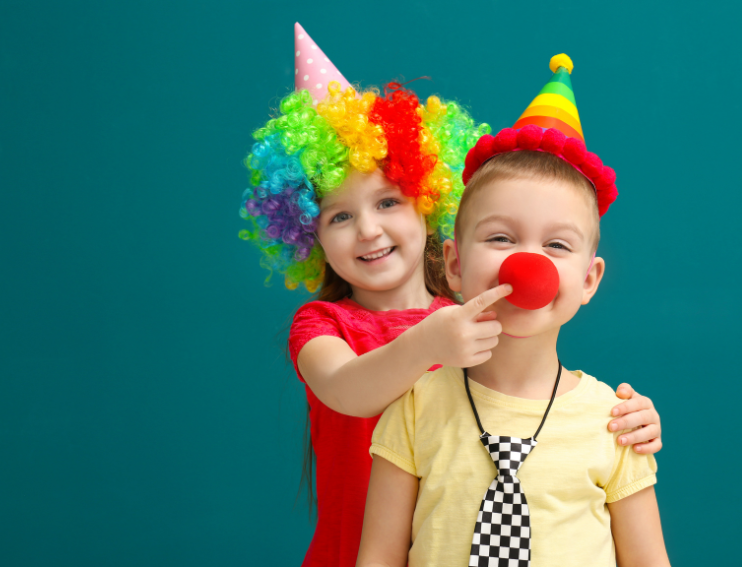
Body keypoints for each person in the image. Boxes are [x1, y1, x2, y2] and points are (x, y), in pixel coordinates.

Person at [240, 26, 664, 566]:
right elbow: (347, 390)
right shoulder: (324, 326)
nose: (368, 230)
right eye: (340, 216)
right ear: (306, 232)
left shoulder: (470, 314)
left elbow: (539, 393)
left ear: (428, 200)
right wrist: (427, 344)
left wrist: (628, 419)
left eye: (388, 202)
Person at [357, 55, 670, 567]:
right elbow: (379, 556)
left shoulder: (616, 423)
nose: (527, 263)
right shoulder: (415, 408)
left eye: (557, 244)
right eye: (501, 237)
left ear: (588, 280)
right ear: (454, 265)